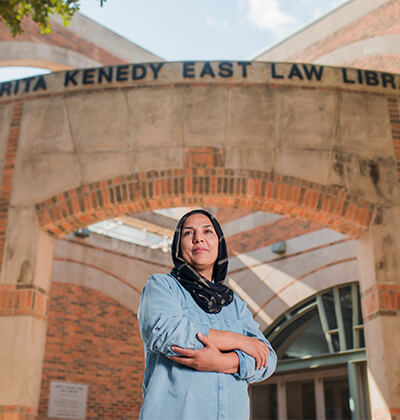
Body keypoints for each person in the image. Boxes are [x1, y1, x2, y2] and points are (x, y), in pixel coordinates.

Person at [138, 209, 277, 420]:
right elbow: (165, 332)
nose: (198, 238)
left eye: (207, 231)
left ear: (219, 243)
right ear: (178, 245)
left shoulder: (234, 303)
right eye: (188, 233)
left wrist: (222, 362)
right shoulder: (162, 286)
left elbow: (268, 358)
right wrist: (239, 341)